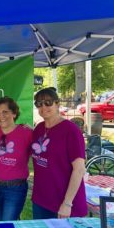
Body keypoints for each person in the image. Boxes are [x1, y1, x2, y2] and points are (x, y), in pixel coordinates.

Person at [32, 87, 87, 219]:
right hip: (41, 199)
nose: (43, 107)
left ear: (57, 104)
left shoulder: (71, 130)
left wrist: (67, 203)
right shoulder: (39, 128)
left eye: (48, 102)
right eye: (39, 104)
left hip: (64, 202)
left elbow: (79, 170)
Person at [0, 97, 32, 221]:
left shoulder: (27, 133)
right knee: (1, 221)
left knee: (6, 224)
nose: (1, 116)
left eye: (5, 112)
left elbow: (44, 150)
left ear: (14, 113)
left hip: (15, 188)